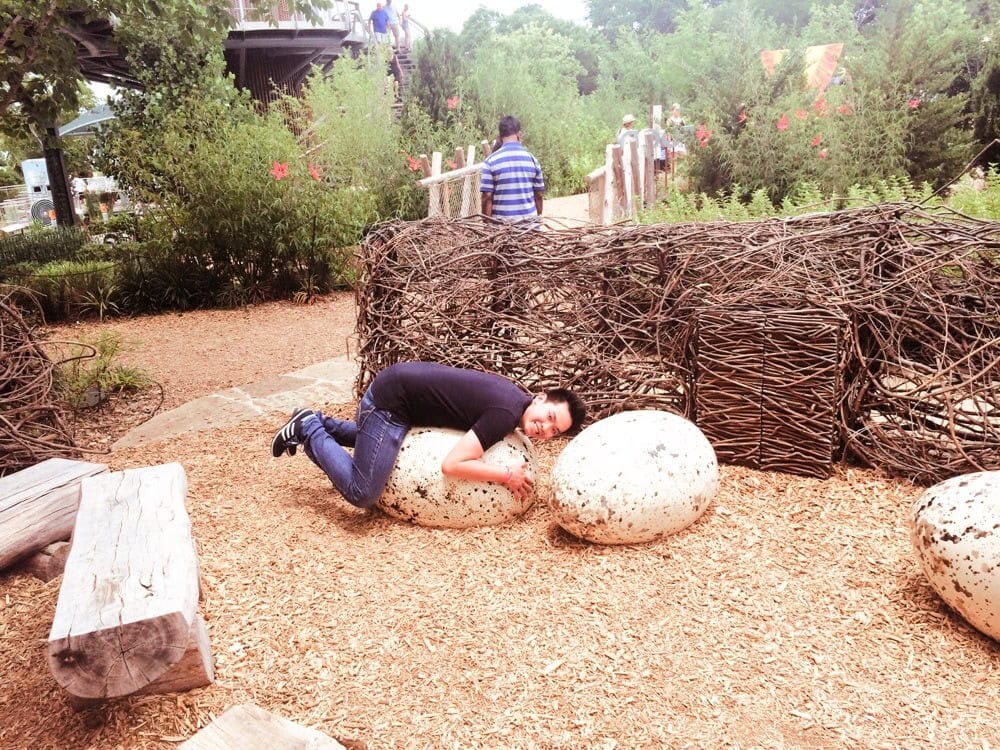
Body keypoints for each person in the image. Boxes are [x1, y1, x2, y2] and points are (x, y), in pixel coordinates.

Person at [271, 362, 587, 509]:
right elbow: (452, 465)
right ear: (542, 398)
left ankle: (321, 426)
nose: (544, 428)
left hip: (405, 402)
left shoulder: (514, 403)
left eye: (553, 430)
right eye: (548, 417)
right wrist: (506, 475)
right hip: (390, 404)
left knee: (381, 445)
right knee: (363, 492)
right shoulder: (504, 414)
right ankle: (309, 426)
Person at [480, 115, 545, 222]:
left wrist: (487, 224)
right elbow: (539, 194)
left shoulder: (490, 162)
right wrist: (537, 218)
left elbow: (487, 196)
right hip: (529, 228)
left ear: (500, 136)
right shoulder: (532, 160)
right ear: (519, 134)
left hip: (502, 230)